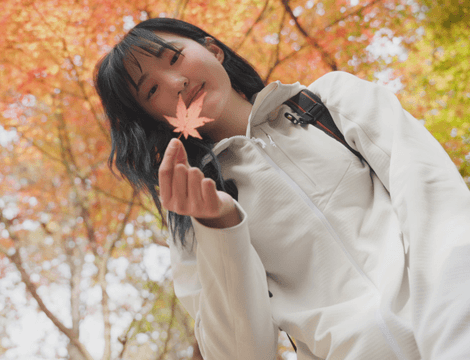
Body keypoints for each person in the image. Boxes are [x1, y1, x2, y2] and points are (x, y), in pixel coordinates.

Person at [93, 17, 470, 360]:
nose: (177, 83)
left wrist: (452, 339)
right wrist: (222, 227)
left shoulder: (332, 101)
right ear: (155, 118)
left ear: (212, 49)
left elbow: (437, 204)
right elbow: (241, 353)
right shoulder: (195, 214)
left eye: (174, 59)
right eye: (153, 88)